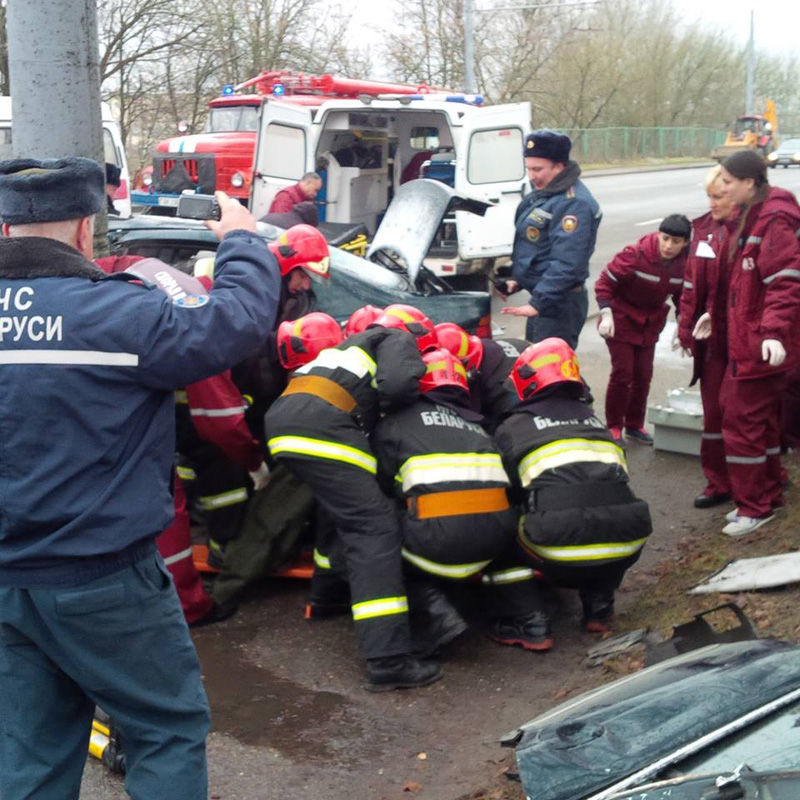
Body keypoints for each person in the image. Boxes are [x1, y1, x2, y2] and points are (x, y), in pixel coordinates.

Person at [0, 158, 281, 800]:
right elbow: (235, 321)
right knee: (165, 731)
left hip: (7, 581)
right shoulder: (122, 315)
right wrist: (241, 239)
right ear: (85, 228)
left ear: (6, 226)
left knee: (31, 751)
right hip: (102, 577)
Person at [264, 306, 441, 692]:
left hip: (284, 420)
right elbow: (398, 387)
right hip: (323, 425)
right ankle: (389, 660)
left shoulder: (347, 350)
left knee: (341, 510)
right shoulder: (396, 336)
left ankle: (326, 597)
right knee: (374, 528)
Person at [371, 349, 547, 653]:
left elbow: (380, 488)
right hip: (495, 543)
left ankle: (437, 616)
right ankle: (531, 621)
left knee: (371, 539)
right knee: (503, 534)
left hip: (437, 546)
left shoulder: (394, 426)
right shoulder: (480, 428)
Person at [494, 338, 652, 638]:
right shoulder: (596, 423)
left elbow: (506, 492)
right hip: (627, 544)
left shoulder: (512, 427)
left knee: (496, 523)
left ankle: (529, 618)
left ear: (525, 381)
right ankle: (599, 610)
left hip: (555, 552)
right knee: (603, 510)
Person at [714, 150, 800, 536]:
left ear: (749, 182)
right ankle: (767, 494)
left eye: (728, 181)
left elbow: (784, 281)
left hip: (759, 344)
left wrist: (774, 332)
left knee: (741, 422)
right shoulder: (752, 214)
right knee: (758, 422)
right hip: (750, 340)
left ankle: (753, 507)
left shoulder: (773, 220)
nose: (723, 188)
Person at [500, 130, 602, 349]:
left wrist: (538, 303)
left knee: (549, 367)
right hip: (544, 300)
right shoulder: (546, 194)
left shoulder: (573, 204)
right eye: (528, 169)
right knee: (534, 363)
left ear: (559, 166)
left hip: (558, 305)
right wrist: (517, 279)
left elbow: (567, 263)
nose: (532, 176)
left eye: (538, 169)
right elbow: (538, 248)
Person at [594, 214, 691, 443]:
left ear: (685, 243)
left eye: (676, 241)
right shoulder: (635, 254)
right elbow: (604, 283)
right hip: (620, 319)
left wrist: (683, 323)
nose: (668, 246)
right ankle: (614, 426)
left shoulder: (686, 264)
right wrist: (606, 313)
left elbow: (683, 297)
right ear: (658, 234)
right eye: (665, 238)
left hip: (649, 324)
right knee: (623, 374)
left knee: (643, 375)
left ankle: (634, 425)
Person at [677, 167, 738, 508]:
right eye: (709, 197)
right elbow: (690, 285)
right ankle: (718, 482)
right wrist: (685, 329)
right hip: (712, 343)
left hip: (741, 338)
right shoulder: (703, 230)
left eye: (719, 196)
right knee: (713, 413)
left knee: (741, 414)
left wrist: (717, 314)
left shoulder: (749, 229)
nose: (712, 203)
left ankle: (757, 481)